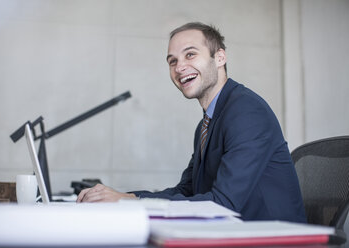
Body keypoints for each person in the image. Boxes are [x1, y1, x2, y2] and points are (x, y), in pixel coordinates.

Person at [77, 22, 307, 223]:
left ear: (219, 57)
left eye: (190, 54)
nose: (179, 67)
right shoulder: (206, 124)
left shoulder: (247, 111)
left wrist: (129, 201)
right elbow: (186, 191)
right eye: (172, 61)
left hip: (269, 238)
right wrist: (126, 198)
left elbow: (222, 204)